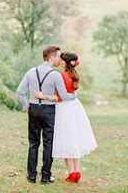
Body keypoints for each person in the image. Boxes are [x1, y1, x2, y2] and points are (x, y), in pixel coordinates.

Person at [16, 45, 77, 184]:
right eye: (57, 56)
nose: (59, 59)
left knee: (33, 143)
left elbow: (20, 91)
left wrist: (26, 106)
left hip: (34, 109)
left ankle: (31, 176)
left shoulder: (31, 71)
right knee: (48, 143)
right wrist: (74, 95)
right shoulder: (55, 75)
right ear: (51, 58)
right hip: (49, 111)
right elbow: (64, 96)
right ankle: (45, 176)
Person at [34, 52, 97, 183]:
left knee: (67, 139)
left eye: (61, 59)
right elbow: (73, 94)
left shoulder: (61, 76)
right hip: (75, 107)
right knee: (75, 139)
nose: (59, 61)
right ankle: (77, 173)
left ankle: (71, 173)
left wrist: (42, 96)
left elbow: (59, 97)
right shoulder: (75, 75)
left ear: (65, 62)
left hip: (64, 109)